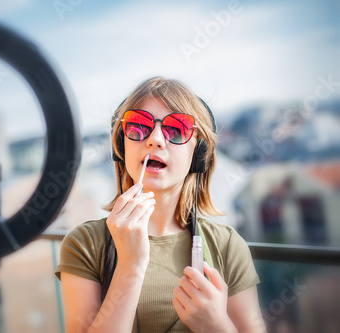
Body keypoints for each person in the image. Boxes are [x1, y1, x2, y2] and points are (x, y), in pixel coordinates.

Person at [55, 77, 266, 332]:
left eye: (176, 130)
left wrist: (216, 325)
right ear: (121, 146)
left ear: (198, 153)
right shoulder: (85, 243)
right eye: (138, 126)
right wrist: (130, 266)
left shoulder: (228, 246)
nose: (154, 139)